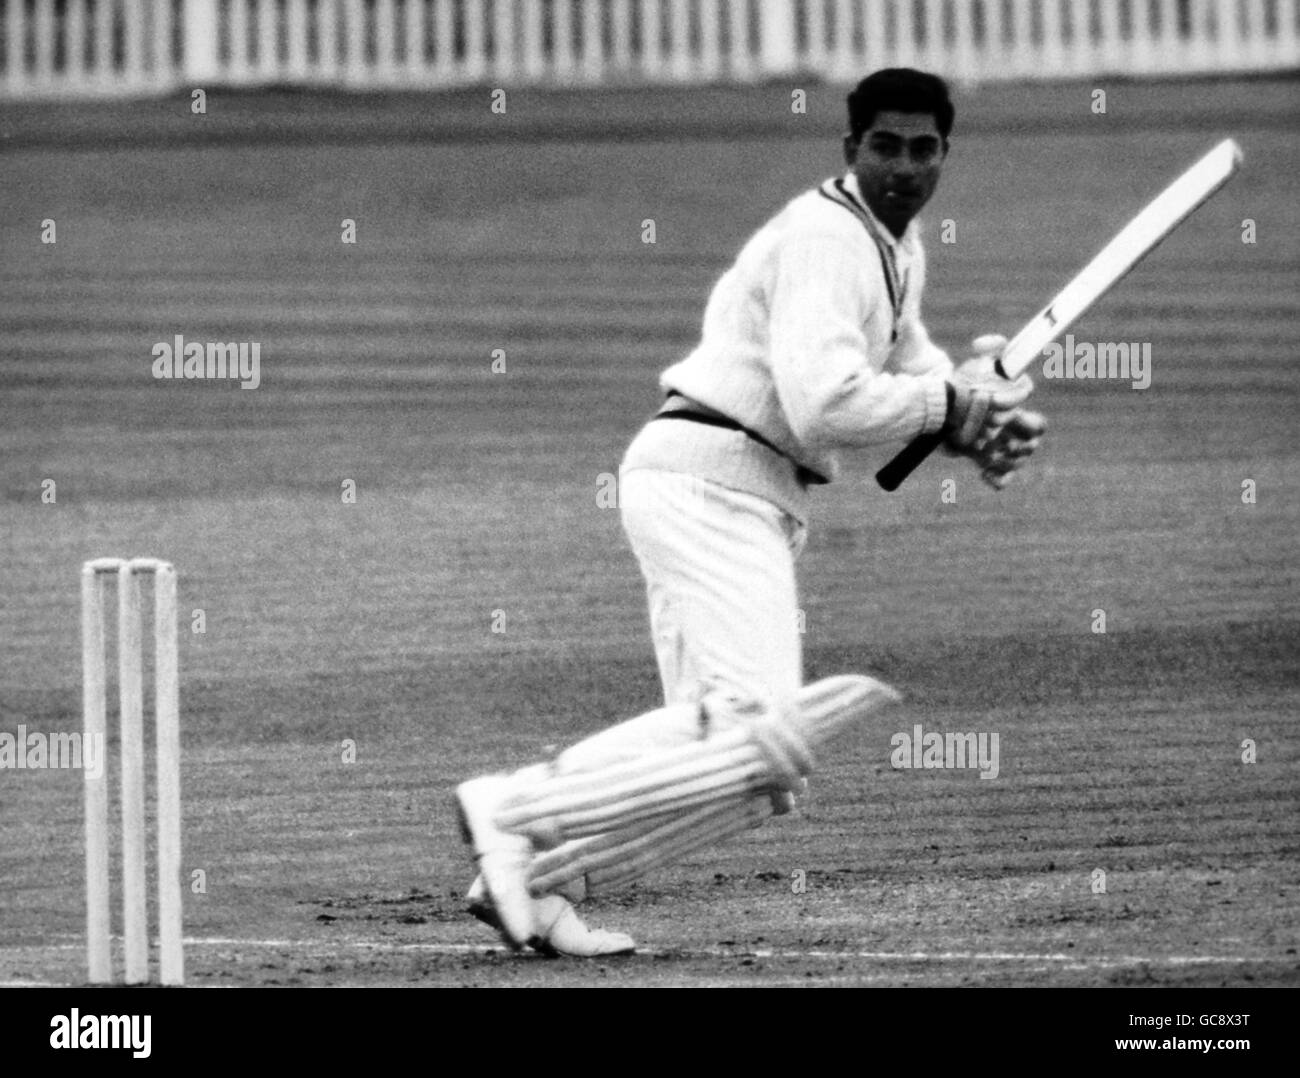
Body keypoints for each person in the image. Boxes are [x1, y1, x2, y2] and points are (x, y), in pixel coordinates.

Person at [454, 68, 1046, 956]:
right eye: (885, 145)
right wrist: (947, 408)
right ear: (851, 149)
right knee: (756, 731)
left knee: (737, 773)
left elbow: (915, 372)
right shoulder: (828, 235)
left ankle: (539, 884)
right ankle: (510, 807)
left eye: (924, 149)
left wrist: (974, 406)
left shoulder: (899, 246)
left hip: (721, 488)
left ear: (945, 157)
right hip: (710, 481)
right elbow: (824, 404)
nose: (905, 166)